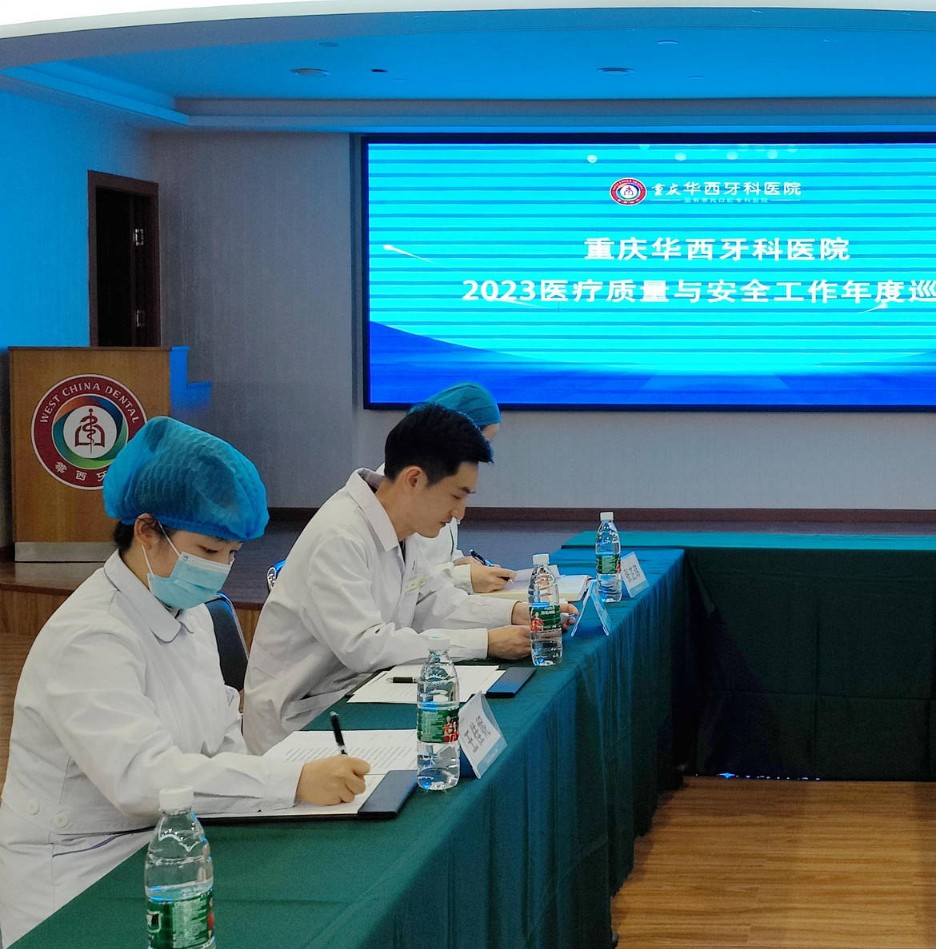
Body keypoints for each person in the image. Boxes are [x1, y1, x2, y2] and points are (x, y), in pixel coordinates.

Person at [0, 418, 368, 944]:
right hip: (79, 868)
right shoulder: (91, 636)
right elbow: (142, 779)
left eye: (232, 554)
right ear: (147, 531)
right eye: (209, 551)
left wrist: (265, 793)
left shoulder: (188, 610)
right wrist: (289, 782)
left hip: (169, 844)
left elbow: (221, 736)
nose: (221, 569)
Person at [242, 405, 541, 754]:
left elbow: (434, 602)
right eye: (456, 495)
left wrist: (513, 613)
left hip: (357, 694)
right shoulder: (340, 535)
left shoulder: (400, 525)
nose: (459, 512)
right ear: (413, 480)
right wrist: (485, 642)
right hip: (301, 725)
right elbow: (366, 646)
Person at [405, 382, 514, 594]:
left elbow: (434, 559)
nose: (459, 513)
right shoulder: (412, 490)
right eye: (485, 443)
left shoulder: (440, 485)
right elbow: (408, 583)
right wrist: (464, 578)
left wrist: (460, 563)